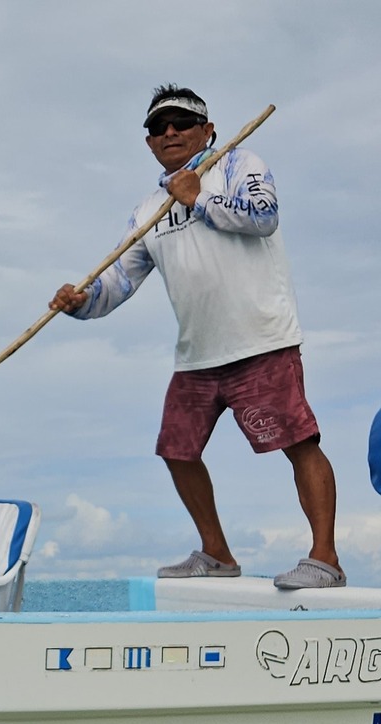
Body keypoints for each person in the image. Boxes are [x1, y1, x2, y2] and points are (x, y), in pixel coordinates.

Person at [50, 85, 343, 590]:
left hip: (261, 342)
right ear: (149, 143)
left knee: (298, 442)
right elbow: (117, 282)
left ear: (207, 131)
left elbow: (264, 216)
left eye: (182, 123)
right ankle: (217, 554)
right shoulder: (147, 211)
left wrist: (198, 196)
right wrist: (80, 302)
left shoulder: (239, 163)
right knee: (176, 449)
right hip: (196, 356)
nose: (170, 133)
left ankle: (325, 559)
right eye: (158, 127)